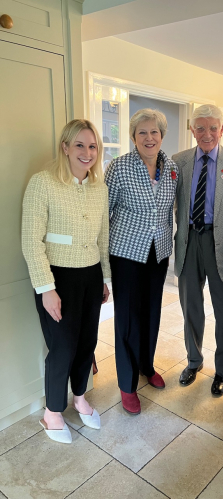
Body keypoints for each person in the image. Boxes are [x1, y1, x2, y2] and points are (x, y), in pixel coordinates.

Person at [22, 119, 111, 444]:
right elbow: (31, 241)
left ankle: (79, 396)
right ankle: (53, 412)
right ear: (65, 147)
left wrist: (104, 278)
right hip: (56, 278)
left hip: (90, 277)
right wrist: (47, 289)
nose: (87, 153)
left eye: (92, 146)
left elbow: (104, 238)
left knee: (87, 342)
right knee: (62, 347)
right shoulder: (42, 183)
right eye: (79, 145)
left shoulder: (99, 188)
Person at [172, 104, 223, 396]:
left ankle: (222, 369)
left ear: (222, 129)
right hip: (189, 241)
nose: (207, 134)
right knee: (190, 307)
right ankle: (194, 361)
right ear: (192, 130)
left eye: (212, 127)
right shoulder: (178, 162)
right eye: (200, 128)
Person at [105, 108, 178, 415]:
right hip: (126, 254)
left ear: (162, 135)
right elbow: (102, 214)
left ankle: (147, 364)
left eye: (154, 132)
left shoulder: (172, 168)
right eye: (142, 133)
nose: (149, 138)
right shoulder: (119, 167)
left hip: (158, 252)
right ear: (133, 137)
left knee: (151, 312)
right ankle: (126, 383)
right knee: (127, 318)